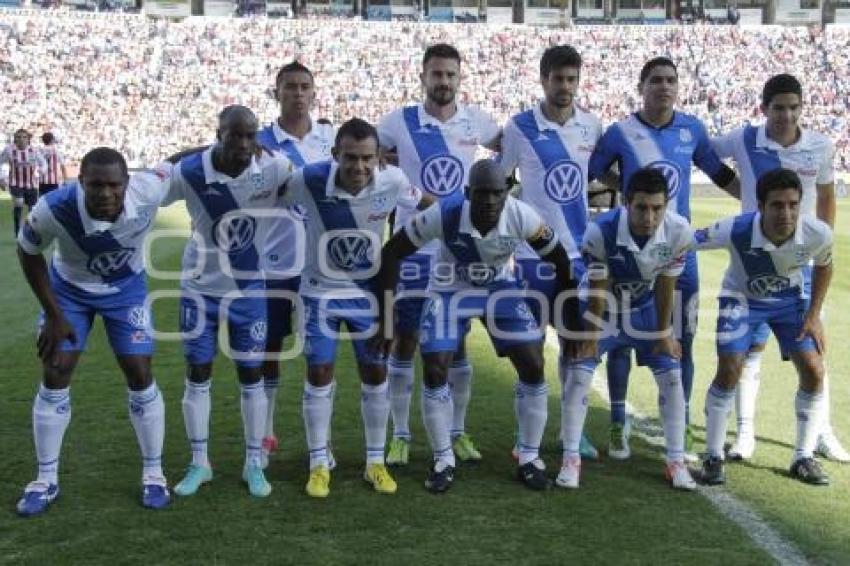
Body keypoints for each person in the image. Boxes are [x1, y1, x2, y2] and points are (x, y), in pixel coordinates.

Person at [372, 159, 580, 493]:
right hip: (448, 289)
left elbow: (559, 259)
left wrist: (573, 315)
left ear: (507, 192)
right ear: (468, 192)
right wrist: (384, 320)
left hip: (499, 288)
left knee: (533, 363)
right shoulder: (444, 213)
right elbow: (392, 252)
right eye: (481, 193)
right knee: (436, 367)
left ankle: (529, 457)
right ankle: (443, 459)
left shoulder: (522, 216)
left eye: (497, 193)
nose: (489, 201)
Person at [588, 56, 738, 461]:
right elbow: (594, 170)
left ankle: (681, 420)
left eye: (671, 80)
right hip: (630, 252)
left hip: (677, 252)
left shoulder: (692, 129)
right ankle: (618, 421)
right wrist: (631, 191)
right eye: (656, 80)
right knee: (619, 338)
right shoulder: (621, 131)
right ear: (642, 86)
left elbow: (720, 173)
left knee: (681, 340)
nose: (664, 87)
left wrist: (757, 201)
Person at [15, 147, 172, 516]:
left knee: (139, 372)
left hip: (126, 289)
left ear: (127, 183)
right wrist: (54, 314)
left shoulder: (148, 189)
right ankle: (45, 479)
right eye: (95, 185)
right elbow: (27, 251)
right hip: (68, 292)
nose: (105, 193)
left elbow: (178, 163)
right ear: (79, 182)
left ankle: (153, 473)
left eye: (114, 185)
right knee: (56, 370)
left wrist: (232, 145)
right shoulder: (53, 208)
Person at [281, 118, 432, 498]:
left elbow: (427, 204)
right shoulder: (310, 179)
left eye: (367, 159)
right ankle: (319, 463)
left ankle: (375, 462)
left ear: (379, 158)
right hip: (319, 292)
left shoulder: (393, 181)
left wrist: (456, 217)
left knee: (375, 371)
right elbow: (271, 193)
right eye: (350, 158)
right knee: (319, 372)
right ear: (335, 155)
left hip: (368, 294)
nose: (359, 167)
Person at [710, 73, 849, 462]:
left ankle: (822, 431)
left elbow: (826, 197)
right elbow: (705, 153)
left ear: (801, 108)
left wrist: (822, 239)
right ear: (764, 108)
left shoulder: (820, 146)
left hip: (800, 261)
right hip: (754, 257)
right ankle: (746, 435)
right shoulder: (744, 138)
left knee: (814, 347)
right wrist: (737, 189)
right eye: (778, 108)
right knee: (749, 348)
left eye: (793, 107)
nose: (786, 115)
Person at [377, 43, 501, 466]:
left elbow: (510, 150)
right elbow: (365, 149)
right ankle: (401, 434)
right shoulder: (399, 120)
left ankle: (457, 432)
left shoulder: (476, 121)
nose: (443, 81)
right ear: (423, 76)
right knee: (405, 341)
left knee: (457, 344)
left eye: (450, 74)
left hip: (461, 250)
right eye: (437, 74)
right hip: (413, 248)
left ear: (459, 78)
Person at [164, 105, 293, 499]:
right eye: (234, 134)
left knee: (251, 376)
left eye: (250, 135)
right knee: (198, 372)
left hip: (250, 289)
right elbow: (143, 194)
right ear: (217, 133)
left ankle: (254, 460)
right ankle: (199, 462)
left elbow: (316, 184)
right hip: (199, 289)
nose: (242, 143)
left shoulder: (276, 168)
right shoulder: (188, 171)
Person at [499, 44, 608, 461]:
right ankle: (525, 433)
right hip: (532, 257)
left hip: (578, 255)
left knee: (575, 345)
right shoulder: (519, 128)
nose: (565, 87)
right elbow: (502, 182)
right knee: (530, 349)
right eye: (558, 79)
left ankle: (571, 434)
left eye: (571, 79)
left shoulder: (591, 126)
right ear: (543, 80)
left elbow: (595, 176)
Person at [560, 167, 696, 491]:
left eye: (657, 209)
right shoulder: (601, 230)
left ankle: (676, 461)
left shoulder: (678, 232)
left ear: (666, 206)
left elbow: (666, 285)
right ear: (625, 202)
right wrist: (590, 338)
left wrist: (663, 333)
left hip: (645, 308)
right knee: (580, 373)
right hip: (601, 307)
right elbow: (597, 287)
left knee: (672, 375)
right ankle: (570, 459)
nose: (649, 218)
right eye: (642, 208)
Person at [697, 168, 833, 486]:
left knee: (814, 370)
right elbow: (687, 241)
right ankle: (714, 456)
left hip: (790, 302)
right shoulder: (734, 229)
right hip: (741, 299)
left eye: (792, 204)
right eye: (777, 205)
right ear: (760, 205)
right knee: (730, 368)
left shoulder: (817, 233)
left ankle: (803, 456)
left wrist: (813, 315)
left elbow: (825, 265)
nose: (786, 213)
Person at [256, 61, 335, 468]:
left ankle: (318, 444)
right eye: (290, 87)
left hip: (320, 267)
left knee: (317, 354)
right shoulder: (259, 141)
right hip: (272, 265)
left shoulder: (332, 139)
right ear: (277, 92)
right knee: (269, 347)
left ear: (314, 92)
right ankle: (266, 433)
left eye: (305, 86)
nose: (298, 94)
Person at [1, 129, 47, 236]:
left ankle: (30, 231)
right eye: (18, 137)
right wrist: (1, 178)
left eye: (24, 137)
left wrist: (40, 172)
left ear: (28, 139)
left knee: (32, 209)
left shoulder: (34, 151)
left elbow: (44, 163)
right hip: (16, 184)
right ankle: (17, 230)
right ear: (15, 139)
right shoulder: (9, 150)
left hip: (32, 185)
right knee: (19, 203)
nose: (21, 139)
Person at [39, 132, 68, 197]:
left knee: (42, 200)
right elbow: (63, 166)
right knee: (53, 200)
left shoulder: (39, 151)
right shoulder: (57, 151)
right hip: (53, 181)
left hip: (41, 181)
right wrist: (65, 180)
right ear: (52, 140)